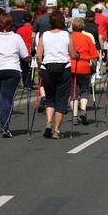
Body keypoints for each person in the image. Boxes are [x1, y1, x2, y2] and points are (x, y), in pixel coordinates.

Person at [0, 13, 31, 138]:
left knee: (0, 97)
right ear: (10, 24)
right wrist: (29, 59)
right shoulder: (16, 38)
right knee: (7, 98)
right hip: (12, 70)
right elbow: (25, 56)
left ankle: (3, 124)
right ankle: (5, 126)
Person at [36, 10, 79, 138]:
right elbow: (73, 54)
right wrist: (78, 56)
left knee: (50, 97)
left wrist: (40, 67)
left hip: (47, 67)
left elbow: (38, 55)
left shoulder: (44, 35)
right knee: (61, 98)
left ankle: (49, 122)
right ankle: (57, 130)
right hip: (63, 68)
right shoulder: (66, 35)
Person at [70, 17, 99, 125]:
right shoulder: (87, 38)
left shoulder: (69, 38)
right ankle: (83, 110)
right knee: (84, 91)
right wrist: (94, 70)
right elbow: (94, 58)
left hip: (71, 66)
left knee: (73, 92)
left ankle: (75, 116)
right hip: (84, 66)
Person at [16, 13, 34, 87]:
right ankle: (31, 81)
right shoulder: (34, 29)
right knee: (32, 67)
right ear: (32, 20)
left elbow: (17, 42)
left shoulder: (19, 30)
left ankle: (25, 81)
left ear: (23, 20)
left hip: (22, 51)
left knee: (23, 68)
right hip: (32, 50)